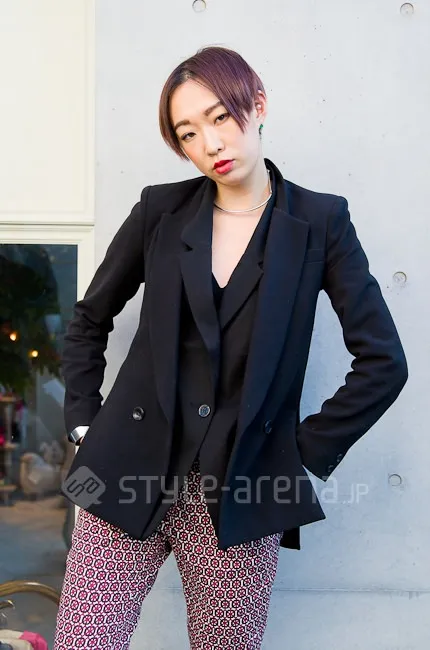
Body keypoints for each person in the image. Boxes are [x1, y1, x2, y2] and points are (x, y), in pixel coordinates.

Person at [53, 46, 408, 649]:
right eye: (187, 133)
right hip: (119, 467)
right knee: (82, 641)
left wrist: (295, 456)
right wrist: (84, 422)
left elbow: (384, 362)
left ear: (258, 104)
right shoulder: (159, 210)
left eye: (220, 117)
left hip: (242, 491)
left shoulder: (321, 222)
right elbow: (89, 319)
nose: (210, 143)